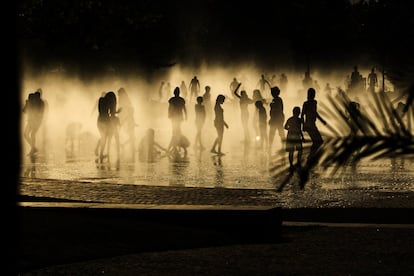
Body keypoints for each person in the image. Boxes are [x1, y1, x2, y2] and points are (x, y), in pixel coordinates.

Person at [301, 88, 327, 157]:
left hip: (312, 125)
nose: (313, 95)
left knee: (318, 141)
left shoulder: (313, 102)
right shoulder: (307, 103)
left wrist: (322, 120)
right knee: (318, 141)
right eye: (312, 94)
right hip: (310, 125)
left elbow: (315, 113)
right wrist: (303, 125)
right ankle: (311, 155)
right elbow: (302, 115)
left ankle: (311, 155)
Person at [22, 91, 45, 156]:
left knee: (32, 134)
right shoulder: (31, 102)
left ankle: (32, 149)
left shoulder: (41, 103)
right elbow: (24, 111)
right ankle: (33, 148)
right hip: (30, 120)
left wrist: (36, 118)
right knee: (25, 134)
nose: (35, 99)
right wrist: (27, 104)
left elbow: (40, 113)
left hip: (37, 121)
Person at [167, 87, 187, 153]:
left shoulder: (172, 99)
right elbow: (184, 109)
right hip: (178, 117)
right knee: (177, 131)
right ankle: (178, 147)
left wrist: (169, 115)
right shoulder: (181, 100)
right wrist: (186, 115)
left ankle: (176, 147)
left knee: (175, 132)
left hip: (174, 117)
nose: (176, 93)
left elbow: (169, 108)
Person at [284, 106, 304, 172]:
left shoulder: (290, 119)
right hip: (297, 136)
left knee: (291, 151)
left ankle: (291, 164)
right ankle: (298, 162)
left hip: (290, 136)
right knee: (299, 150)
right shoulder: (299, 120)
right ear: (298, 113)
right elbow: (300, 129)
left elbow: (285, 127)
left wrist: (290, 129)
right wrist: (302, 136)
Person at [268, 86, 285, 151]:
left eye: (272, 92)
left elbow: (277, 109)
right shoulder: (276, 99)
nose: (271, 94)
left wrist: (272, 105)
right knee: (277, 133)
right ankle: (270, 146)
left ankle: (282, 146)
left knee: (276, 133)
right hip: (277, 118)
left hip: (277, 119)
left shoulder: (277, 100)